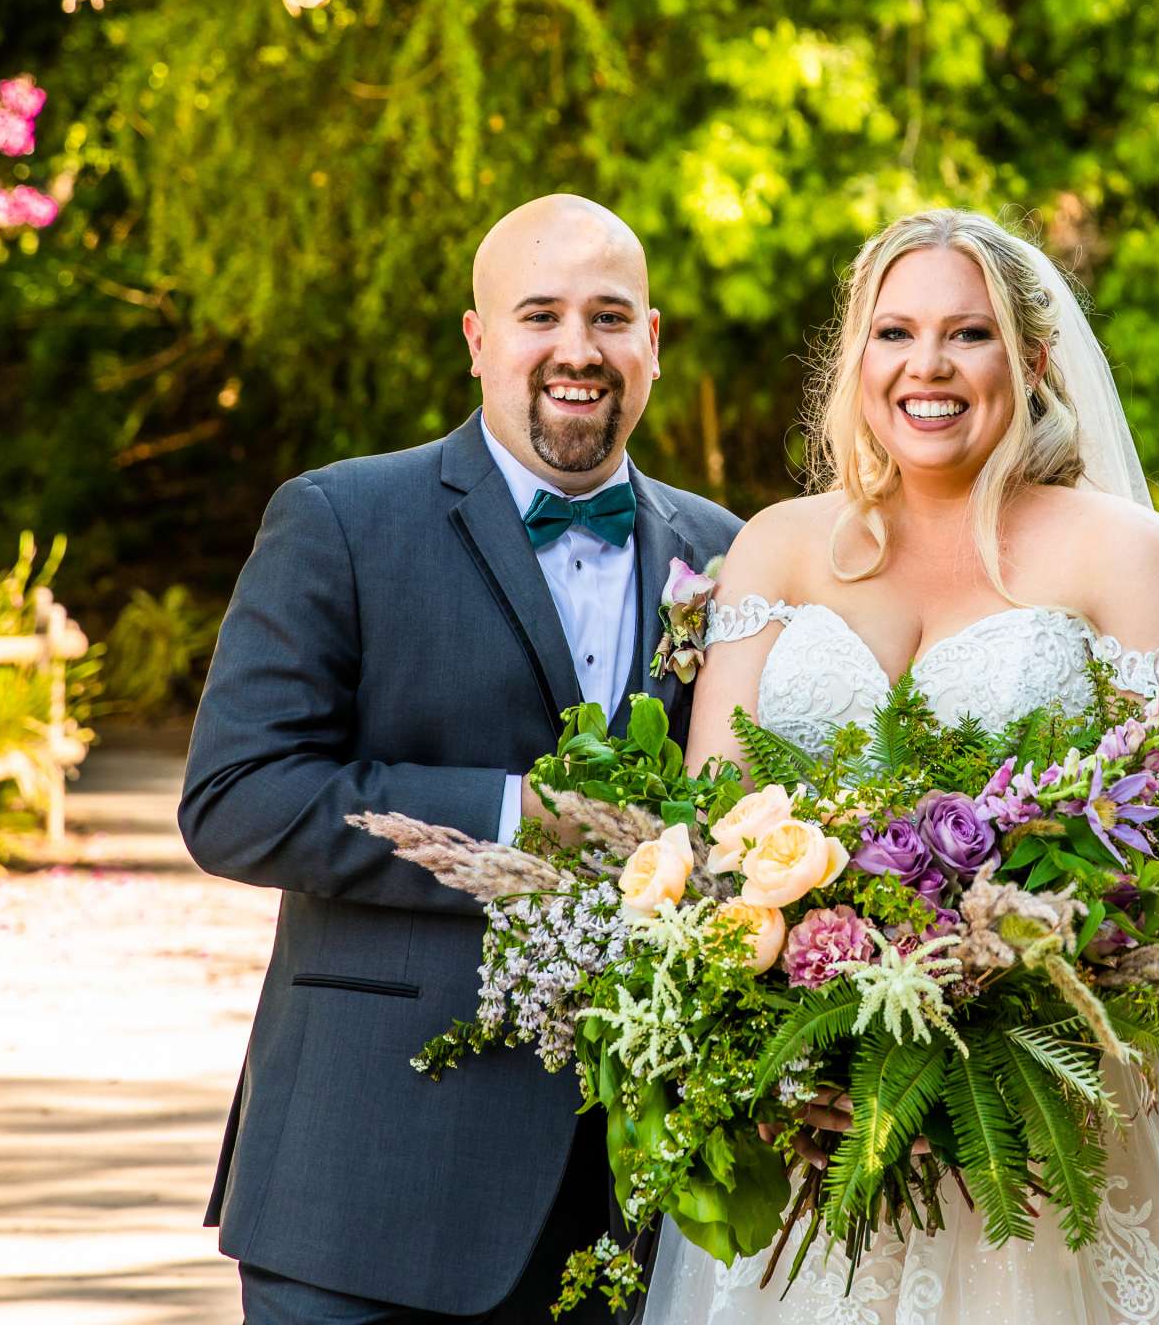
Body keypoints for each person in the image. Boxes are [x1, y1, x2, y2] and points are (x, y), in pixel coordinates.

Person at [640, 209, 1159, 1325]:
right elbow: (713, 837)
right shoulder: (777, 545)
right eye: (894, 333)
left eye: (966, 334)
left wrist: (1001, 996)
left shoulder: (1123, 553)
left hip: (1061, 1124)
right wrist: (790, 1057)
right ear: (857, 360)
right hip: (826, 1120)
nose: (926, 366)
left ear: (1028, 361)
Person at [180, 193, 742, 1324]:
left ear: (654, 343)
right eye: (540, 314)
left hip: (633, 1208)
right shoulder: (340, 518)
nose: (576, 349)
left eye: (609, 316)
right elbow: (235, 799)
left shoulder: (726, 551)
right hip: (367, 1180)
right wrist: (509, 820)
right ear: (481, 340)